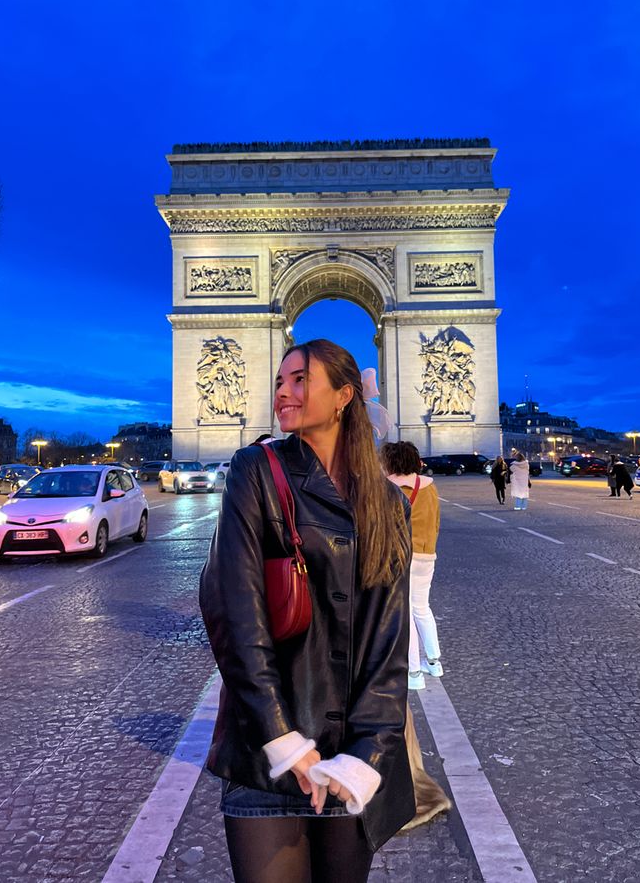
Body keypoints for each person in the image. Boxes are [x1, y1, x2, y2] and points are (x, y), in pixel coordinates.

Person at [200, 339, 414, 883]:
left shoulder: (387, 502)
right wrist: (282, 738)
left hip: (349, 761)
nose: (283, 392)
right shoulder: (254, 470)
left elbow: (390, 638)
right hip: (268, 758)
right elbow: (236, 613)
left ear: (344, 395)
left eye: (300, 380)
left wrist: (370, 752)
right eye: (279, 381)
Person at [380, 441, 442, 689]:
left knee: (403, 612)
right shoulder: (428, 487)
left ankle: (414, 672)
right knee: (422, 608)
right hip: (427, 554)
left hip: (401, 556)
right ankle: (435, 662)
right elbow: (436, 520)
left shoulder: (389, 488)